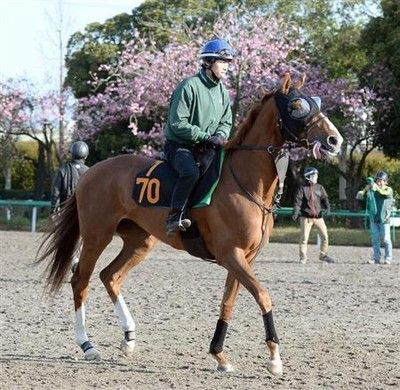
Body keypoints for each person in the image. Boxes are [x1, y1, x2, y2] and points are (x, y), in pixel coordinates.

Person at [163, 38, 234, 235]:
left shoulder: (223, 92)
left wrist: (220, 135)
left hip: (206, 146)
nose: (226, 67)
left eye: (228, 63)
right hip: (179, 146)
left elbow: (226, 121)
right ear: (209, 62)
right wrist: (205, 137)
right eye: (222, 62)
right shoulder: (188, 86)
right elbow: (177, 124)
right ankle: (174, 215)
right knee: (191, 173)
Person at [292, 167, 334, 264]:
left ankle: (323, 255)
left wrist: (328, 207)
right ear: (308, 177)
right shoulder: (302, 188)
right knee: (304, 239)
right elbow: (297, 202)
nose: (316, 177)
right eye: (314, 175)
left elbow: (325, 199)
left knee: (325, 237)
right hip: (306, 218)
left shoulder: (320, 187)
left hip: (319, 217)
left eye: (316, 175)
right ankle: (303, 257)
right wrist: (295, 212)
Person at [356, 171, 393, 264]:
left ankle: (388, 258)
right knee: (375, 239)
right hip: (373, 218)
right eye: (377, 180)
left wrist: (375, 188)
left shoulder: (389, 189)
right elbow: (361, 195)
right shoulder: (373, 189)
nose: (378, 182)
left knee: (386, 239)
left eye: (381, 180)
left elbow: (384, 194)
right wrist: (363, 192)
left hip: (384, 219)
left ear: (385, 182)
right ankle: (376, 258)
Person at [50, 140, 90, 213]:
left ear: (71, 154)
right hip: (84, 214)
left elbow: (55, 194)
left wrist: (54, 212)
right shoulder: (90, 172)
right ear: (86, 156)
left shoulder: (62, 171)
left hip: (65, 213)